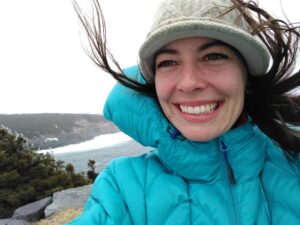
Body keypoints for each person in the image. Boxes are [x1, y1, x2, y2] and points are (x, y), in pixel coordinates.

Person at [67, 0, 300, 224]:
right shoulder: (123, 187)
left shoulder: (294, 161)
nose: (189, 83)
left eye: (213, 56)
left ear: (246, 75)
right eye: (168, 62)